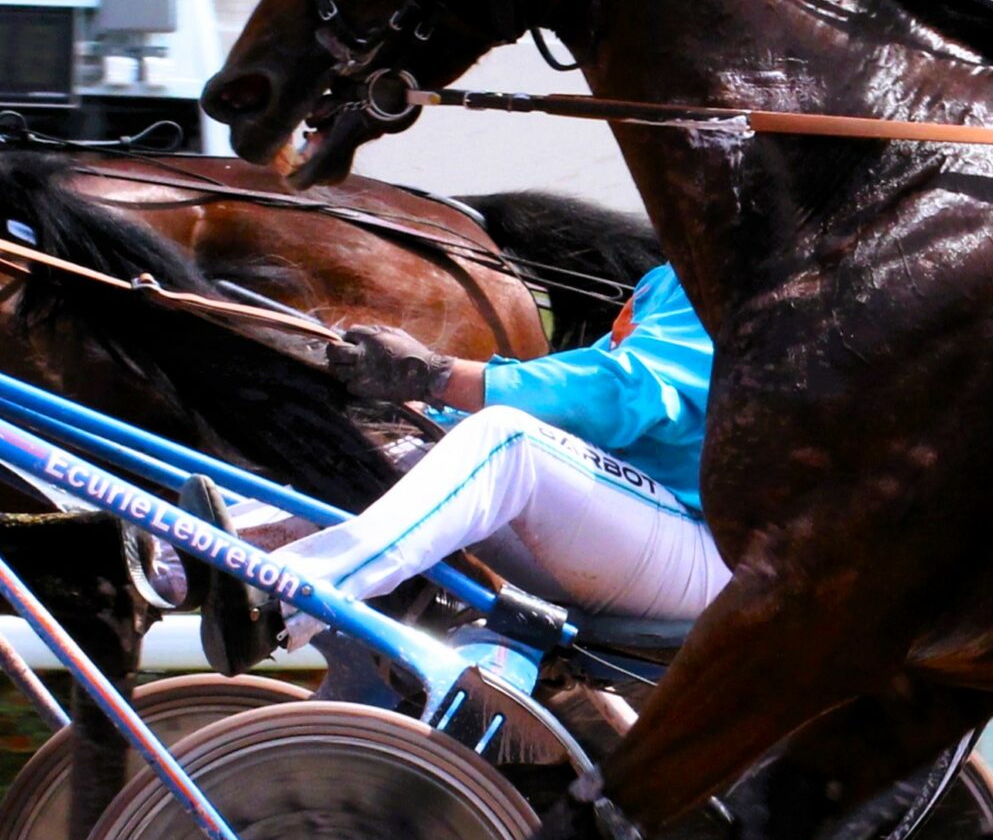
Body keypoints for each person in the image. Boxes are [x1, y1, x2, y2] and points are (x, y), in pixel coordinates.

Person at [270, 261, 725, 693]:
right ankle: (218, 564)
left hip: (711, 554)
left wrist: (438, 376)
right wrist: (434, 412)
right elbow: (584, 392)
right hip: (639, 528)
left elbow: (619, 394)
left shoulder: (731, 271)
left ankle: (296, 593)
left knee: (507, 440)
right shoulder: (674, 273)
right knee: (400, 451)